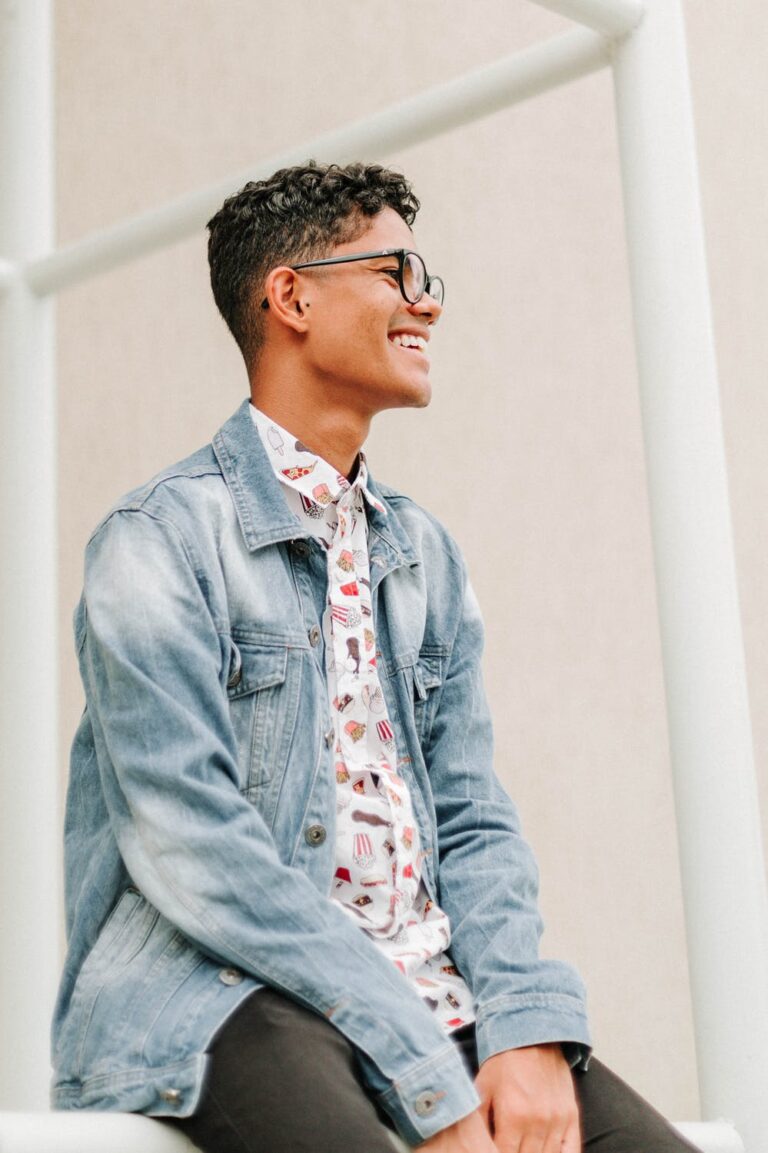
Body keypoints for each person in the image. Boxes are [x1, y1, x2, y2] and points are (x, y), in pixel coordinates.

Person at [51, 161, 696, 1153]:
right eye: (396, 271)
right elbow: (198, 847)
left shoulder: (422, 554)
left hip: (438, 1000)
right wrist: (429, 1079)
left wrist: (522, 1025)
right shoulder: (158, 542)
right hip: (228, 997)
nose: (425, 303)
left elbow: (475, 816)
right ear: (293, 296)